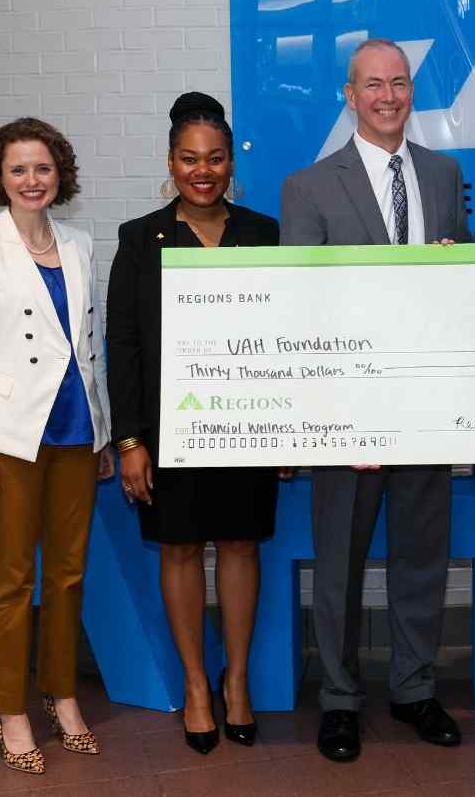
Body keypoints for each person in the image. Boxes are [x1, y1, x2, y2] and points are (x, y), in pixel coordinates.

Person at [279, 38, 475, 764]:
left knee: (421, 557)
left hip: (426, 408)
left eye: (399, 83)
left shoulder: (443, 174)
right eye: (373, 84)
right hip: (346, 414)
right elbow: (302, 307)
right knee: (336, 559)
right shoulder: (308, 187)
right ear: (349, 94)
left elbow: (458, 280)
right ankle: (339, 700)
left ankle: (413, 688)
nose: (388, 96)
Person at [106, 92, 282, 755]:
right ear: (171, 162)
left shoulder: (264, 232)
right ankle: (196, 688)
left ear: (231, 162)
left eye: (214, 159)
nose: (202, 171)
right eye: (189, 159)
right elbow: (121, 344)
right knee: (180, 550)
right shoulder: (139, 237)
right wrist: (130, 442)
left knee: (240, 545)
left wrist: (288, 428)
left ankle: (236, 683)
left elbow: (286, 331)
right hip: (169, 432)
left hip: (248, 426)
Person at [0, 117, 113, 775]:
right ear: (0, 177)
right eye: (18, 169)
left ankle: (62, 694)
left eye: (42, 168)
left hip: (77, 427)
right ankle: (10, 707)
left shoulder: (79, 242)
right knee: (13, 578)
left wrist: (103, 429)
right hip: (13, 435)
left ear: (60, 173)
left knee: (69, 573)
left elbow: (88, 350)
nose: (31, 179)